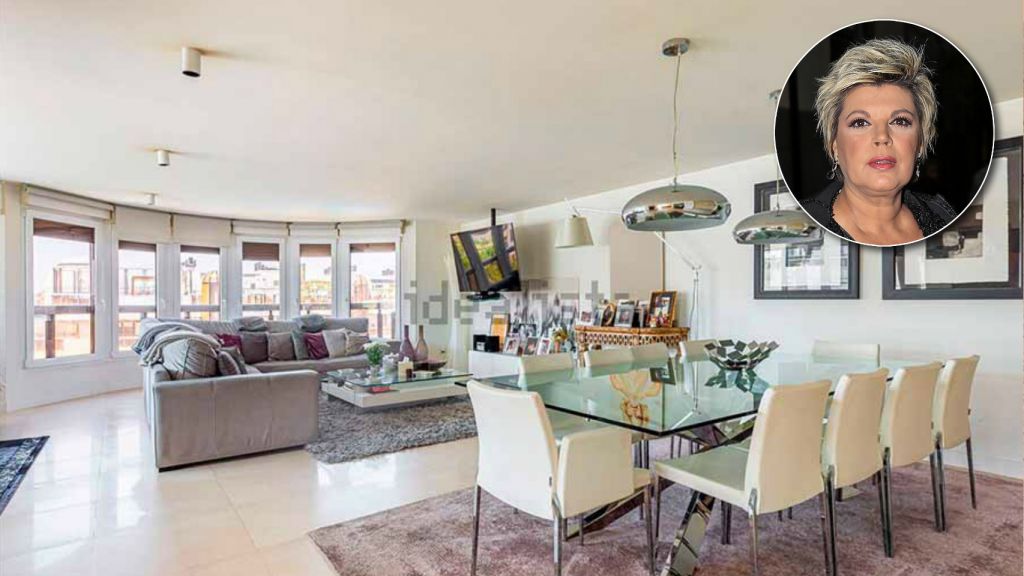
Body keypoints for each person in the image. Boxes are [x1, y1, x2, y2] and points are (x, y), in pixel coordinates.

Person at [802, 38, 957, 245]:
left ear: (920, 143)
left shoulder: (943, 216)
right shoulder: (802, 228)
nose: (882, 137)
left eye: (900, 121)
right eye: (860, 123)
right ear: (834, 145)